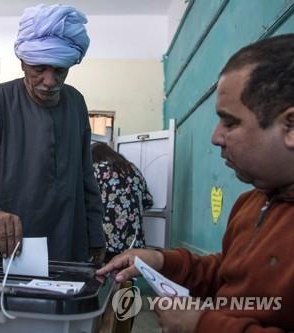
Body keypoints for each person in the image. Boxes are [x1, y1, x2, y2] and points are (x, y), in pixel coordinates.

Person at [97, 34, 294, 333]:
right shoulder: (250, 202)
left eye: (230, 123)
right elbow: (229, 274)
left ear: (290, 127)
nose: (215, 137)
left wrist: (203, 325)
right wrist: (160, 261)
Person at [0, 4, 105, 262]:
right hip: (8, 249)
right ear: (22, 62)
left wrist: (95, 234)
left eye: (59, 70)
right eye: (39, 68)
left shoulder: (76, 103)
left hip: (67, 242)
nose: (50, 81)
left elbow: (86, 176)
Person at [91, 142, 153, 261]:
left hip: (107, 242)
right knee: (127, 277)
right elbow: (148, 201)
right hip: (134, 243)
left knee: (105, 276)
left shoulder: (96, 169)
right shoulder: (133, 169)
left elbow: (87, 203)